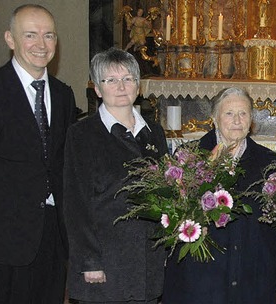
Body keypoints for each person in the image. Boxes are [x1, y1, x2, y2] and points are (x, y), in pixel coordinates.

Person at [0, 4, 76, 303]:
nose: (41, 44)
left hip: (52, 237)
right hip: (3, 239)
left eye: (48, 35)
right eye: (30, 35)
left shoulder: (64, 95)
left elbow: (62, 165)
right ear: (10, 39)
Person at [162, 87, 276, 304]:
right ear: (214, 118)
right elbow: (172, 215)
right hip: (201, 274)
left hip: (252, 274)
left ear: (251, 120)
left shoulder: (269, 161)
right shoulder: (189, 156)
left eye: (243, 113)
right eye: (229, 113)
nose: (237, 120)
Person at [63, 48, 167, 303]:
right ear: (97, 89)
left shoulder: (153, 132)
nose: (121, 86)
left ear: (138, 86)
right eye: (110, 80)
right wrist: (89, 260)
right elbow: (76, 204)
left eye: (128, 78)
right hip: (104, 263)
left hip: (146, 261)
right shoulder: (82, 134)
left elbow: (165, 193)